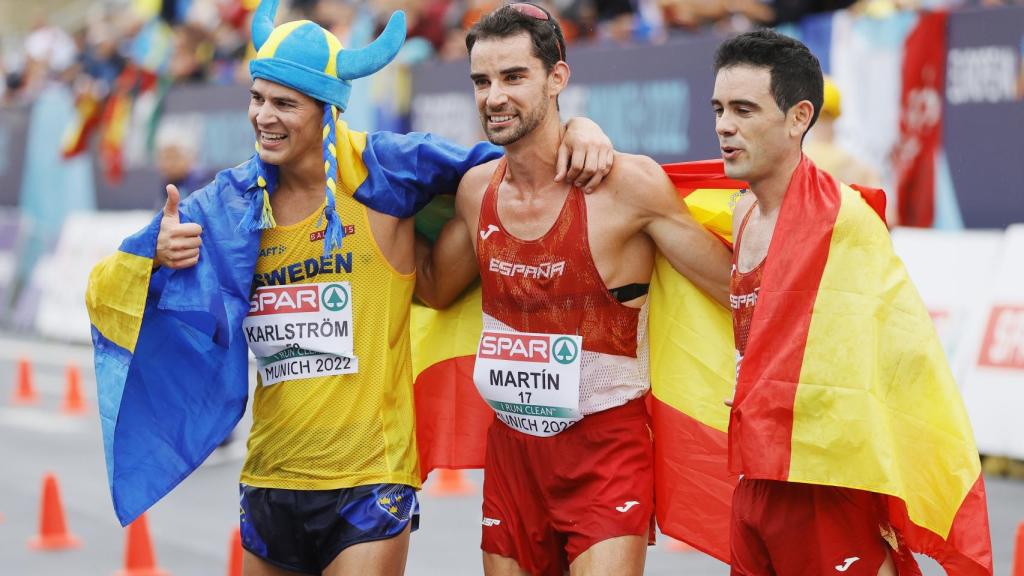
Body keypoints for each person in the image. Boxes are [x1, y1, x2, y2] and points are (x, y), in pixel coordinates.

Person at [85, 1, 615, 575]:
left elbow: (509, 162)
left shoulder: (386, 171)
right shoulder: (232, 201)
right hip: (269, 477)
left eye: (285, 103)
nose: (265, 116)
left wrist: (579, 127)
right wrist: (155, 258)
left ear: (327, 112)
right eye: (258, 98)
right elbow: (104, 289)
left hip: (370, 482)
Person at [414, 5, 731, 575]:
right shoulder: (475, 191)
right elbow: (435, 291)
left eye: (514, 77)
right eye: (482, 82)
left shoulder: (627, 187)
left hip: (605, 452)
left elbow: (735, 290)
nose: (494, 97)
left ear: (557, 79)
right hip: (512, 454)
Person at [715, 30, 991, 575]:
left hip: (826, 479)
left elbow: (897, 351)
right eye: (720, 108)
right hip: (756, 474)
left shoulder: (843, 220)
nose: (724, 125)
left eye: (744, 109)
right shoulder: (740, 212)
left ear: (799, 117)